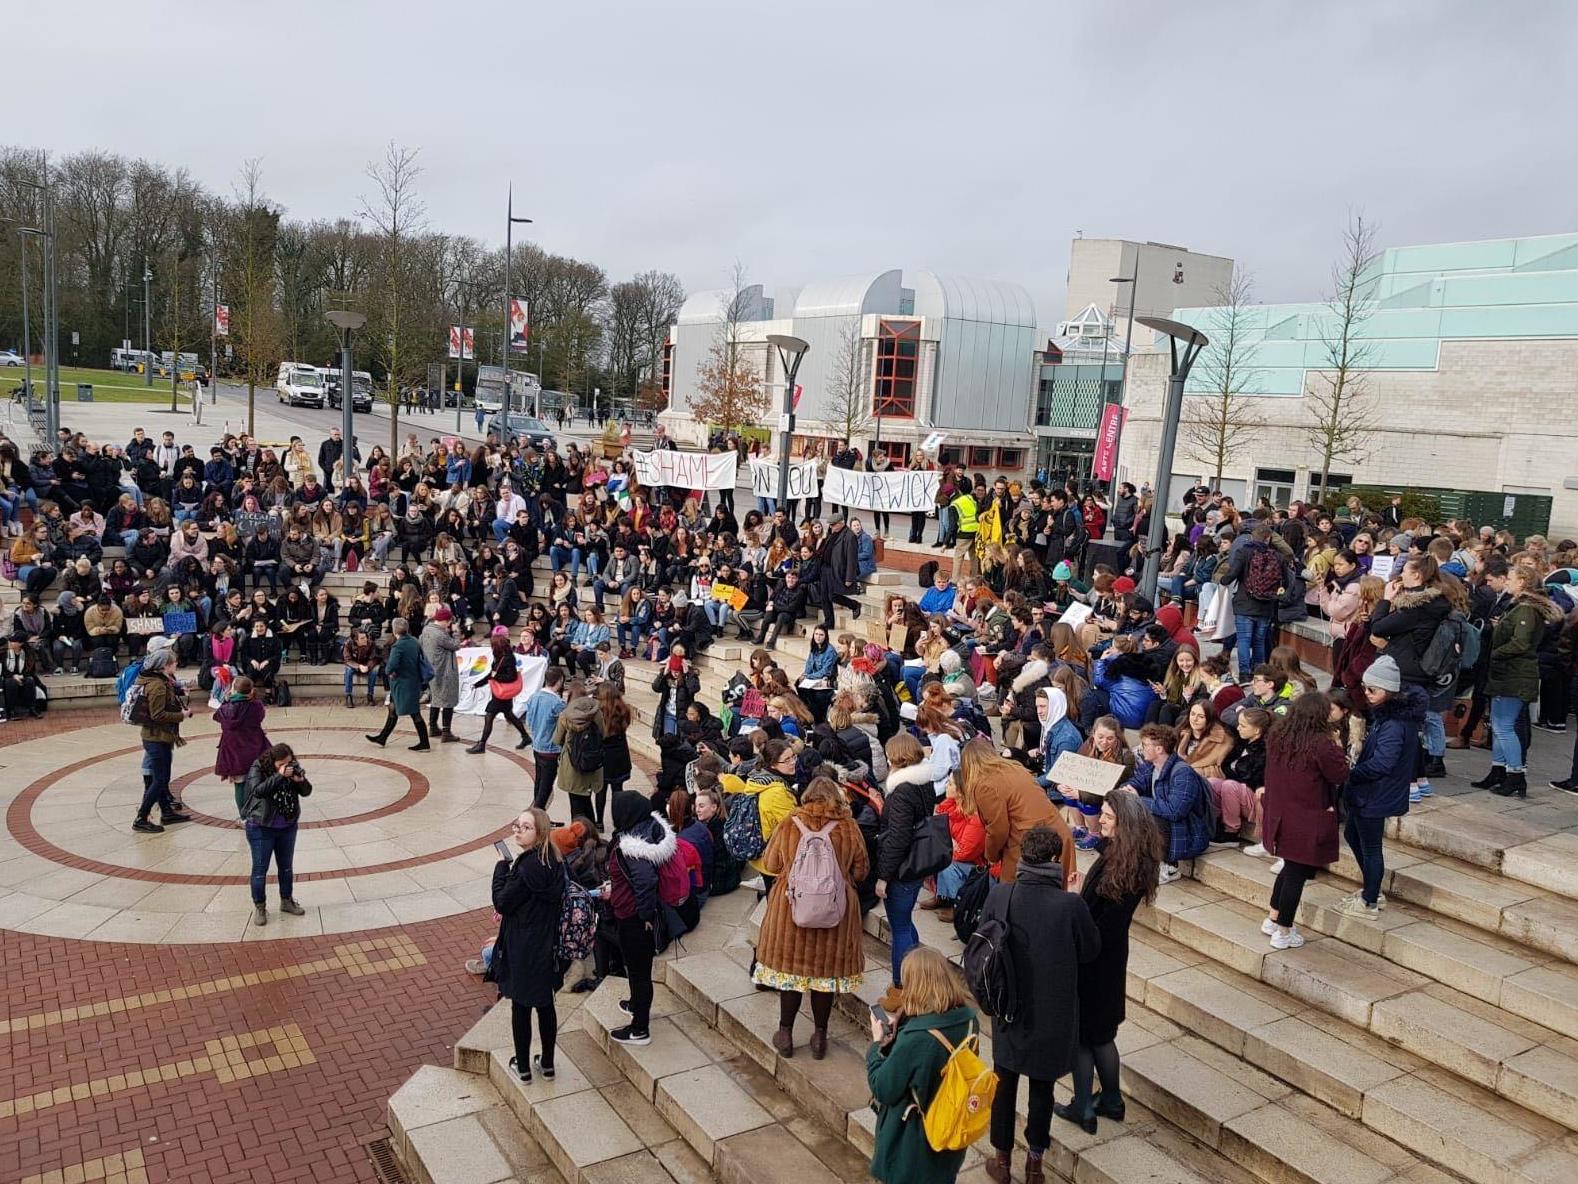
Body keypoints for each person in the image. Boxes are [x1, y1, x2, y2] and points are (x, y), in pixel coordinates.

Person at [981, 824, 1100, 1184]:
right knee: (1042, 1090)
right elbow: (1091, 950)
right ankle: (1035, 1165)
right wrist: (1075, 894)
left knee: (1003, 1083)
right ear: (1053, 860)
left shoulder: (1002, 894)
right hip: (1052, 1014)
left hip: (1008, 1007)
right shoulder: (1070, 905)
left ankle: (1001, 1161)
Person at [1058, 792, 1161, 1133]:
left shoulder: (1124, 869)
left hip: (1095, 960)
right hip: (1110, 958)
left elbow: (1100, 925)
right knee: (1102, 1034)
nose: (1100, 820)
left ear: (1125, 824)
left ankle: (1083, 1107)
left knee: (1085, 1036)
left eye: (1107, 816)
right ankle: (1112, 1101)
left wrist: (1073, 902)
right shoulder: (1131, 857)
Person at [752, 778, 870, 1059]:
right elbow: (861, 870)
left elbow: (770, 864)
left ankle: (785, 1032)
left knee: (791, 975)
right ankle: (819, 1035)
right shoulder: (849, 826)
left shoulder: (790, 822)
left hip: (791, 912)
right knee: (823, 976)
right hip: (836, 914)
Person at [865, 946, 980, 1184]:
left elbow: (884, 1087)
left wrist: (877, 1045)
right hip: (949, 1132)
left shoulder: (918, 1039)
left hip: (913, 1145)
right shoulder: (969, 1021)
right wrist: (903, 1024)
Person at [1260, 691, 1348, 949]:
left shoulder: (1278, 736)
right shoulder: (1321, 744)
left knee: (1290, 867)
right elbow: (1339, 774)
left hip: (1281, 815)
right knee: (1296, 875)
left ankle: (1273, 917)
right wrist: (1340, 749)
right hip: (1306, 818)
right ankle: (1284, 931)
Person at [489, 807, 566, 1082]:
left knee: (521, 1006)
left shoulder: (526, 868)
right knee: (545, 1004)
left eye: (525, 827)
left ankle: (522, 1067)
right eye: (517, 825)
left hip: (523, 945)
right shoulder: (555, 861)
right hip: (547, 944)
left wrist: (501, 867)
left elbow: (502, 901)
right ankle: (547, 1063)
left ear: (539, 833)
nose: (518, 831)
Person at [1341, 656, 1421, 919]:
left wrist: (1352, 774)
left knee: (1371, 847)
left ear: (1389, 690)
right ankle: (1372, 891)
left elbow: (1383, 763)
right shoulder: (1389, 717)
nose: (1366, 694)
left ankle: (1370, 900)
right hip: (1371, 792)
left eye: (1372, 689)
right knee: (1353, 835)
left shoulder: (1395, 724)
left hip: (1376, 793)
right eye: (1365, 688)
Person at [1482, 565, 1563, 798]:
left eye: (1510, 578)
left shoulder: (1526, 609)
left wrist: (1496, 652)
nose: (1506, 581)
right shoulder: (1517, 606)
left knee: (1505, 726)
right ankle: (1499, 770)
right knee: (1498, 725)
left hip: (1515, 674)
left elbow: (1521, 642)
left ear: (1522, 582)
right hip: (1506, 673)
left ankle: (1516, 775)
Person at [875, 734, 943, 1012]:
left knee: (900, 926)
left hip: (902, 871)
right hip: (914, 867)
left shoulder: (902, 790)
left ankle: (901, 988)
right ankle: (917, 976)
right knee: (905, 923)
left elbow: (899, 838)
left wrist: (883, 876)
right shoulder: (923, 782)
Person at [607, 789, 678, 1046]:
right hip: (635, 912)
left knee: (638, 972)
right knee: (638, 968)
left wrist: (645, 914)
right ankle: (636, 1004)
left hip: (635, 917)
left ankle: (639, 1029)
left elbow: (645, 879)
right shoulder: (649, 829)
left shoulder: (633, 847)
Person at [955, 738, 1070, 883]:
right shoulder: (1013, 767)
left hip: (1030, 842)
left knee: (1016, 893)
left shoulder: (985, 784)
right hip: (1056, 832)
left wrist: (991, 856)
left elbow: (997, 829)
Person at [1124, 723, 1214, 884]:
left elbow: (1175, 811)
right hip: (1168, 825)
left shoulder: (1182, 772)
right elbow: (1136, 782)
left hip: (1187, 833)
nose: (1140, 748)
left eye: (1145, 745)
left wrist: (1139, 800)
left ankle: (1170, 867)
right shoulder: (1152, 766)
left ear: (1159, 749)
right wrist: (1126, 790)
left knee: (1152, 815)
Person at [240, 742, 312, 926]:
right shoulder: (258, 768)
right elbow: (258, 791)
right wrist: (279, 776)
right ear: (273, 761)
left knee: (286, 867)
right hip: (261, 826)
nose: (286, 766)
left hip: (287, 825)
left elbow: (307, 792)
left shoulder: (292, 768)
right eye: (281, 763)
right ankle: (260, 906)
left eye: (288, 762)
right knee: (260, 870)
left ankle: (286, 900)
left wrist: (300, 781)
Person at [132, 648, 194, 833]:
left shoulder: (159, 681)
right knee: (160, 780)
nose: (176, 664)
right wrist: (181, 715)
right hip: (156, 738)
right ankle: (141, 818)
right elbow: (158, 714)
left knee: (161, 778)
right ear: (164, 666)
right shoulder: (157, 685)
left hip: (158, 736)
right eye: (174, 662)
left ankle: (167, 812)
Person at [364, 617, 430, 751]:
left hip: (402, 684)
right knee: (393, 709)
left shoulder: (398, 646)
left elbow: (390, 667)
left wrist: (390, 671)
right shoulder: (414, 641)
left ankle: (424, 743)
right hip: (413, 681)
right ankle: (382, 737)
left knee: (415, 713)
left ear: (394, 631)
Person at [213, 675, 270, 816]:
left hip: (234, 753)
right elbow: (260, 715)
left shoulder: (227, 709)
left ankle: (244, 816)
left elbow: (217, 716)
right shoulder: (256, 706)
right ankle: (259, 812)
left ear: (233, 690)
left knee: (240, 784)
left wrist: (226, 700)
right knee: (256, 782)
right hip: (255, 748)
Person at [467, 632, 532, 753]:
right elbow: (492, 674)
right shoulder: (499, 656)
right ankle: (525, 737)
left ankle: (482, 744)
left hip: (501, 695)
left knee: (489, 716)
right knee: (509, 715)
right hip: (502, 694)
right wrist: (478, 684)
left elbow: (510, 677)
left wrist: (496, 678)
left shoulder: (508, 658)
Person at [524, 667, 568, 810]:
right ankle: (537, 817)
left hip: (537, 745)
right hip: (550, 749)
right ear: (560, 681)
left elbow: (529, 722)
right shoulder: (557, 703)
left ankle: (538, 813)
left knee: (539, 782)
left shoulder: (534, 697)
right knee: (546, 787)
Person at [420, 606, 463, 742]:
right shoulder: (440, 634)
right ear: (445, 621)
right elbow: (455, 645)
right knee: (447, 700)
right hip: (444, 672)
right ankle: (446, 732)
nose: (450, 625)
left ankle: (432, 727)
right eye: (449, 622)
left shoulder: (426, 631)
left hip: (431, 670)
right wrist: (456, 632)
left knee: (435, 699)